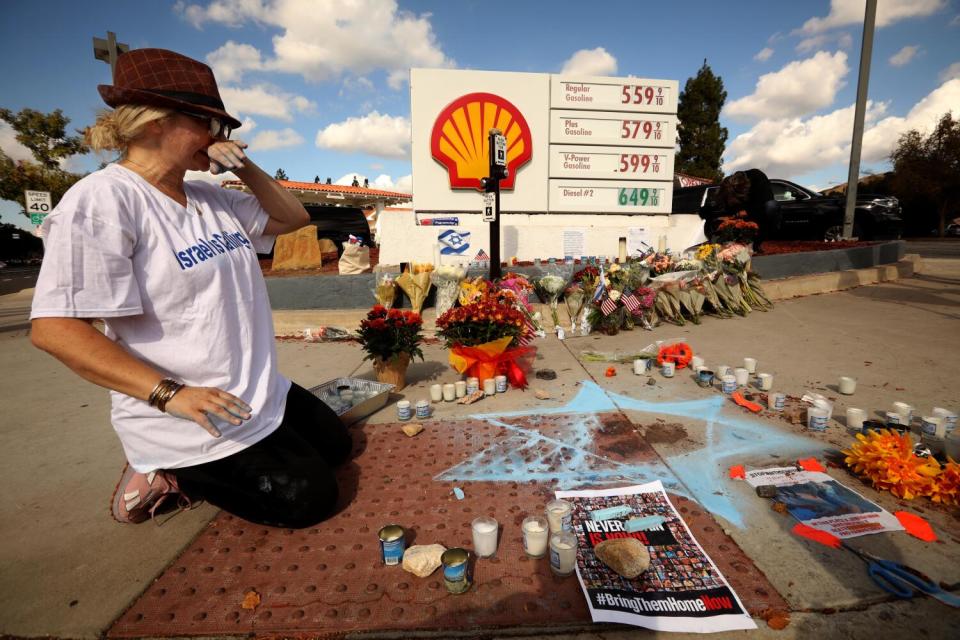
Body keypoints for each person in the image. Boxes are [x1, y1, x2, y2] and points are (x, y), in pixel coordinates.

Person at [29, 48, 351, 528]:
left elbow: (293, 217)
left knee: (339, 448)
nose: (218, 138)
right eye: (208, 124)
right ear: (155, 121)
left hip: (256, 391)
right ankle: (168, 471)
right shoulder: (102, 201)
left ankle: (239, 450)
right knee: (310, 499)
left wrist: (244, 166)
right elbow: (55, 329)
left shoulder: (208, 195)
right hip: (187, 408)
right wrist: (169, 394)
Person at [715, 168, 779, 253]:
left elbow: (765, 201)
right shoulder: (729, 182)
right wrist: (728, 215)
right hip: (740, 209)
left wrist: (747, 212)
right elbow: (722, 199)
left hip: (760, 209)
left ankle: (759, 241)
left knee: (771, 206)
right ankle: (735, 243)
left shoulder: (758, 178)